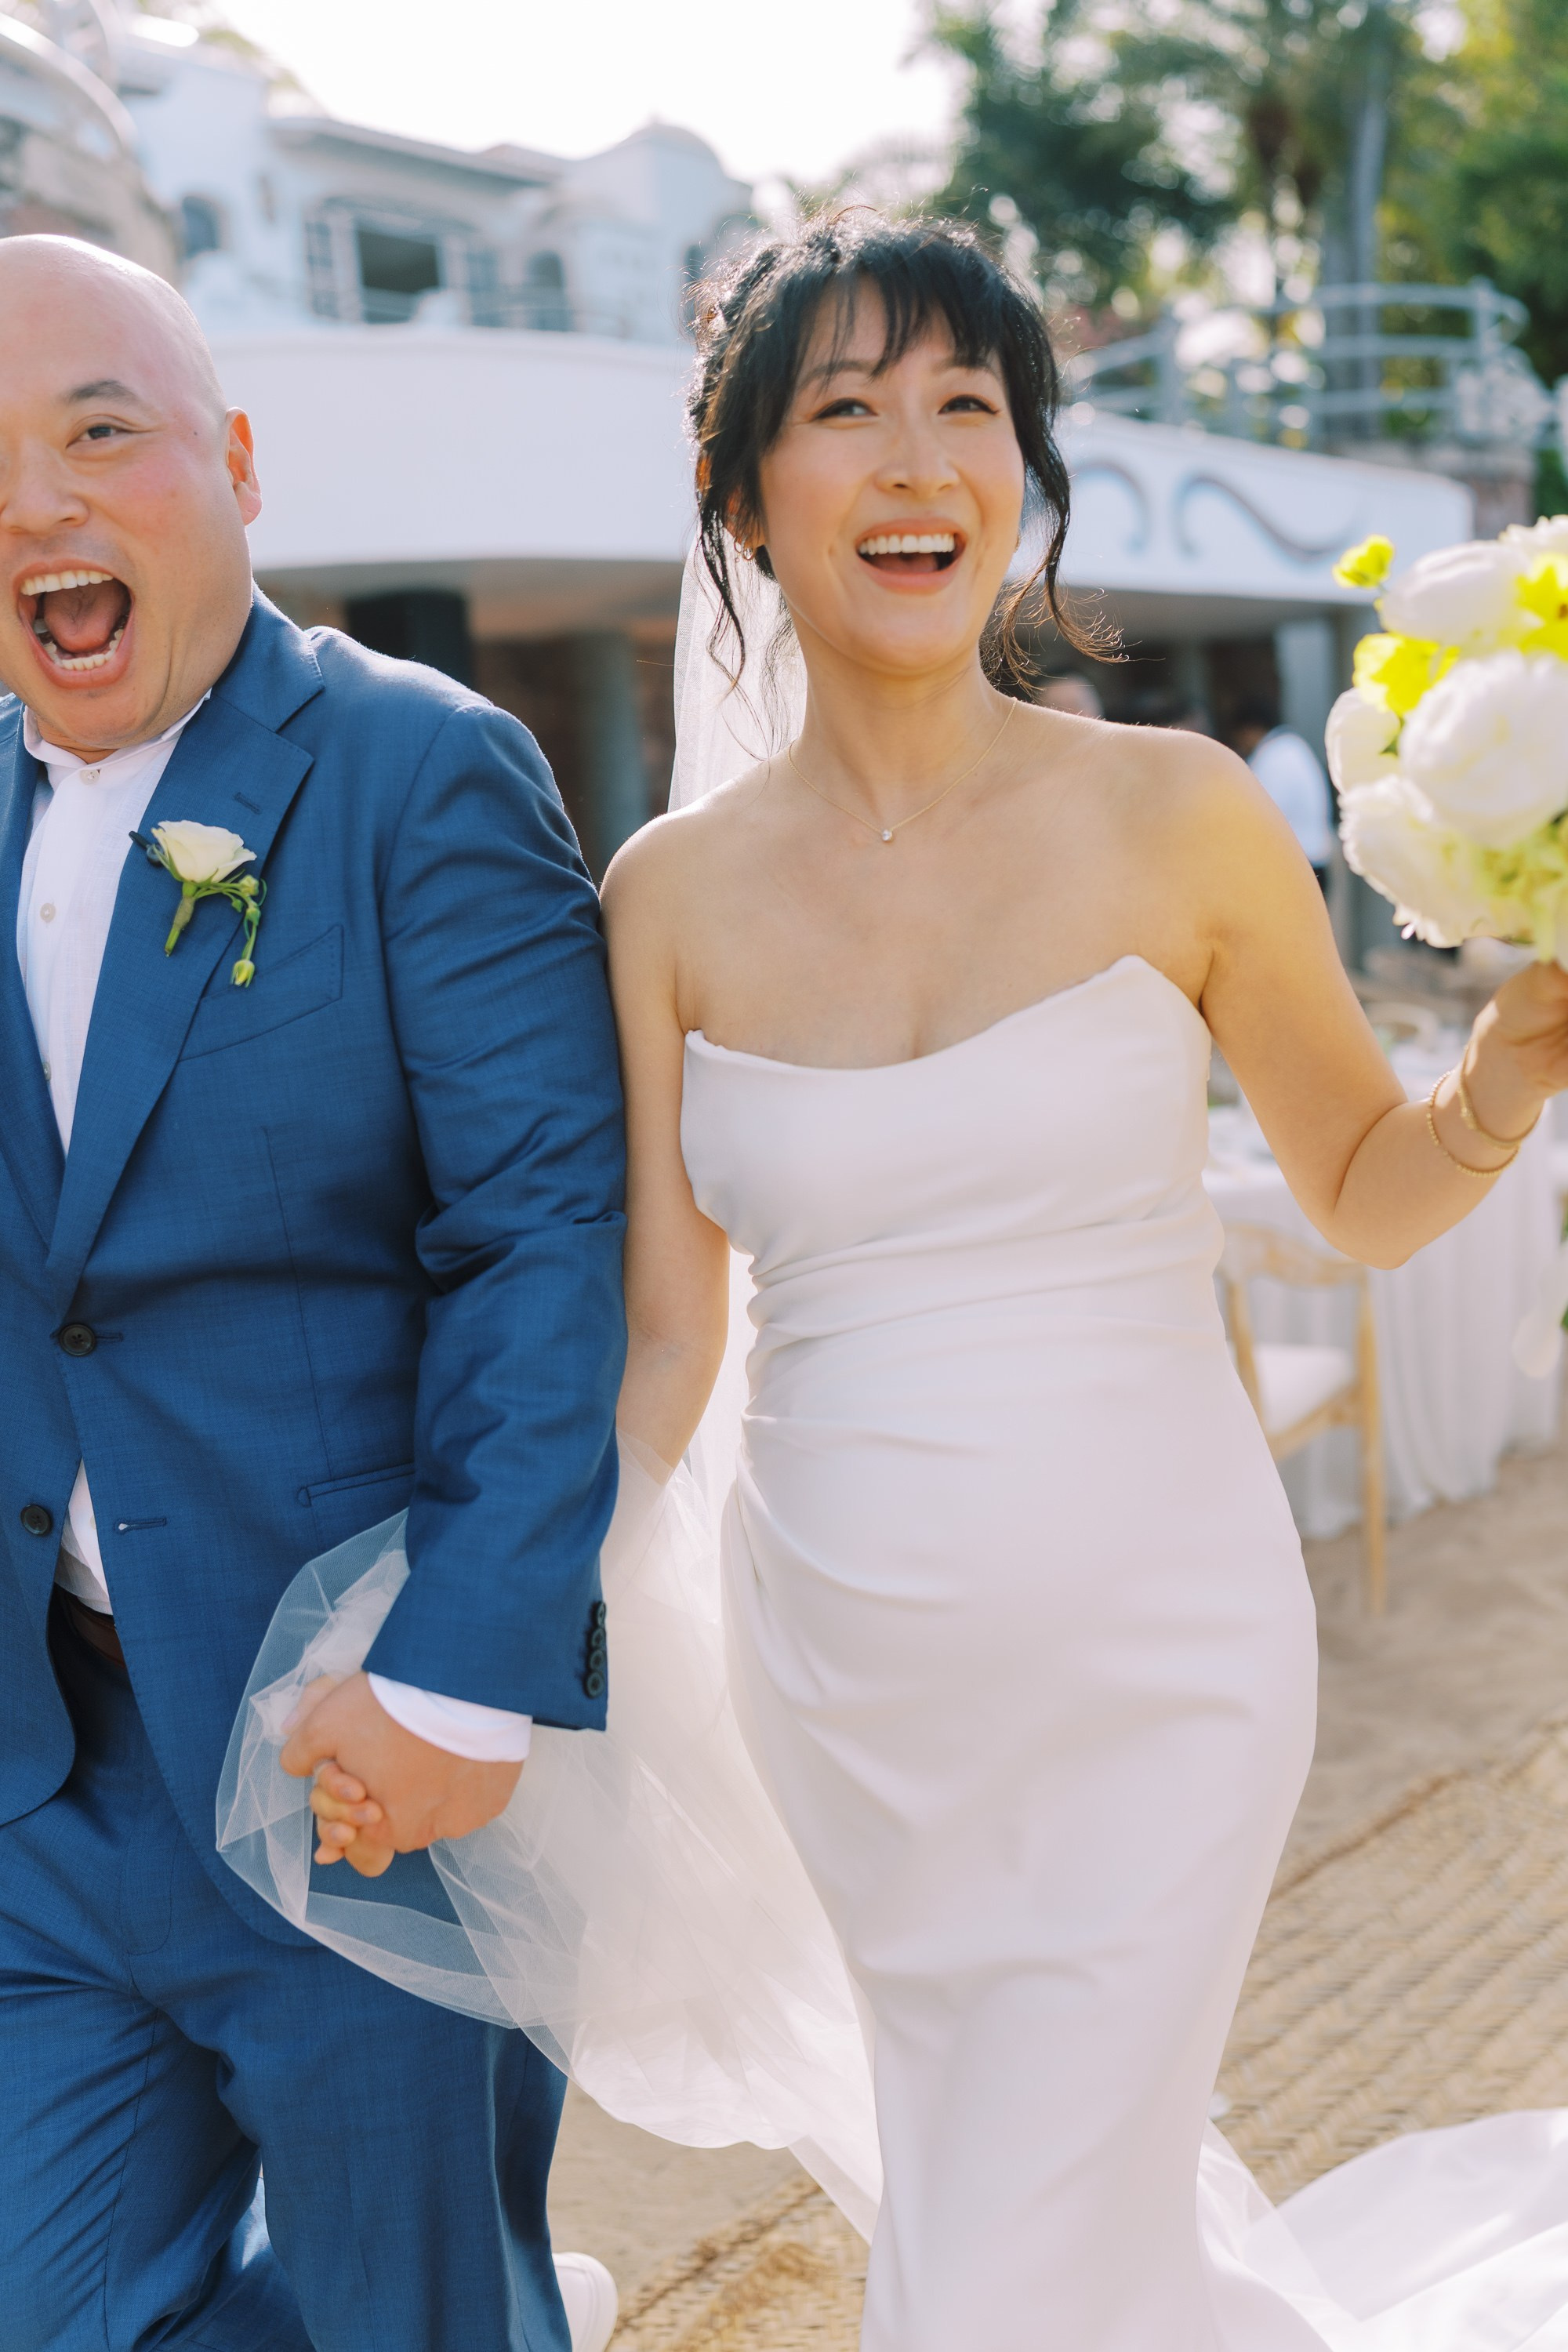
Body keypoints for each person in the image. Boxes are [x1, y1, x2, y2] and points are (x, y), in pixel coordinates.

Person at [288, 213, 1568, 2348]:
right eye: (848, 410)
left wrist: (1502, 1090)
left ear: (1027, 472)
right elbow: (671, 1345)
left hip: (1165, 1653)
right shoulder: (665, 897)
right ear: (742, 499)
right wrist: (475, 1641)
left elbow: (1353, 1186)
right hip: (857, 1686)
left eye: (970, 406)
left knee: (998, 2255)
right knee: (1031, 2206)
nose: (919, 459)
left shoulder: (1176, 816)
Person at [0, 238, 622, 2352]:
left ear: (237, 462)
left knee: (413, 2321)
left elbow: (538, 1230)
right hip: (40, 1781)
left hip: (345, 1766)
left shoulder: (413, 771)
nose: (38, 509)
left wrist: (461, 1680)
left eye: (99, 434)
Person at [1231, 691, 1335, 890]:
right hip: (1315, 861)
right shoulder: (1293, 747)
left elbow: (1258, 818)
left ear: (1249, 730)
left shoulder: (1272, 757)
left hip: (1297, 868)